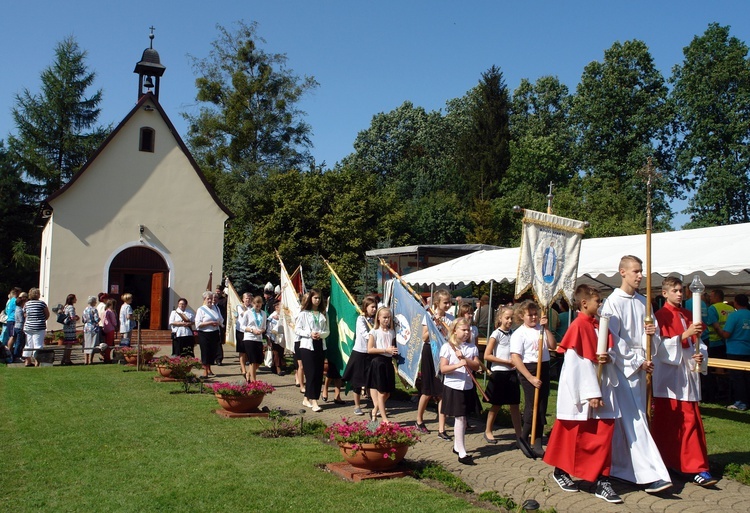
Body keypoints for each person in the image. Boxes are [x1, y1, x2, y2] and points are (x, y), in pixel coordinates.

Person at [543, 284, 623, 504]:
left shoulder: (600, 325)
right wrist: (591, 392)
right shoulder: (578, 326)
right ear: (584, 303)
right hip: (584, 392)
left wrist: (610, 357)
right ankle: (562, 471)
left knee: (603, 435)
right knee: (574, 436)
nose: (601, 304)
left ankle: (602, 479)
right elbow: (577, 363)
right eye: (598, 301)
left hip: (603, 385)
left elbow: (610, 351)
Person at [600, 255, 672, 493]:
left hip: (642, 368)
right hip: (623, 370)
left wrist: (652, 333)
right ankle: (650, 473)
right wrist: (637, 360)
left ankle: (622, 467)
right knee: (635, 422)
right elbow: (612, 339)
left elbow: (653, 338)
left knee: (634, 420)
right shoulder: (612, 302)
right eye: (636, 271)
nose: (640, 276)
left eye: (641, 272)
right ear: (622, 272)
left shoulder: (644, 301)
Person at [652, 277, 716, 487]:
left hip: (687, 375)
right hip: (669, 381)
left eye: (681, 291)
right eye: (675, 290)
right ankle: (675, 463)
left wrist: (701, 355)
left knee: (690, 421)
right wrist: (684, 335)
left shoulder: (689, 315)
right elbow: (658, 349)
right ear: (665, 293)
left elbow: (699, 345)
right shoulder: (660, 317)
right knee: (670, 425)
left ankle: (693, 466)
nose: (679, 294)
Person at [510, 299, 556, 457]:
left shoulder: (540, 330)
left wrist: (546, 328)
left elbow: (552, 345)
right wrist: (530, 378)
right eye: (530, 315)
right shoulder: (519, 334)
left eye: (535, 314)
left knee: (542, 404)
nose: (534, 317)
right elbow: (515, 358)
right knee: (532, 405)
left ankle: (537, 441)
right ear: (522, 316)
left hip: (543, 366)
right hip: (529, 368)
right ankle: (523, 438)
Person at [440, 317, 481, 465]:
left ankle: (457, 446)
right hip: (453, 386)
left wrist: (465, 360)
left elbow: (476, 366)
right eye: (463, 330)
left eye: (468, 330)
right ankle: (462, 452)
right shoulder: (447, 347)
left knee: (464, 418)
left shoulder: (472, 348)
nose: (466, 333)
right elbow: (443, 369)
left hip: (468, 386)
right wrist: (457, 365)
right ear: (454, 331)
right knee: (460, 417)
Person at [483, 307, 524, 452]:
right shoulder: (496, 334)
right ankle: (488, 430)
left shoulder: (514, 334)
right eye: (507, 318)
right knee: (496, 404)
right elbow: (487, 355)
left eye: (511, 318)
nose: (510, 321)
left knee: (515, 404)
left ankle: (519, 435)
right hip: (499, 373)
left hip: (512, 373)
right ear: (500, 318)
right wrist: (506, 362)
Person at [417, 289, 453, 439]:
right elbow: (424, 337)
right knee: (427, 391)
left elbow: (452, 336)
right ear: (437, 303)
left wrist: (444, 327)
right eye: (445, 302)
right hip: (429, 352)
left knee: (441, 392)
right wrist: (434, 324)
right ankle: (419, 420)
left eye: (449, 302)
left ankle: (441, 428)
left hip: (443, 353)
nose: (448, 305)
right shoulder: (428, 317)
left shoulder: (450, 318)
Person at [342, 296, 378, 416]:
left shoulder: (375, 320)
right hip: (360, 352)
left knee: (372, 380)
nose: (374, 309)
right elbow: (365, 334)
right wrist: (375, 338)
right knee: (357, 381)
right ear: (365, 307)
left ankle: (376, 406)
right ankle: (357, 406)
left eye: (375, 307)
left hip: (371, 353)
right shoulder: (361, 319)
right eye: (372, 307)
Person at [295, 289, 329, 412]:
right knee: (311, 373)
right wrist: (310, 334)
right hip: (307, 346)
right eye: (315, 298)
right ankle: (314, 401)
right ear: (310, 299)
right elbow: (297, 330)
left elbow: (327, 331)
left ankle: (306, 398)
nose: (317, 300)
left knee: (318, 373)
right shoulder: (304, 313)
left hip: (320, 344)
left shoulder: (323, 314)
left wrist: (320, 334)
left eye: (319, 298)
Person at [366, 306, 399, 423]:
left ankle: (374, 411)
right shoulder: (374, 332)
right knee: (381, 392)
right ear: (378, 318)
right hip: (378, 362)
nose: (387, 320)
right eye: (384, 317)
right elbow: (370, 349)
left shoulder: (392, 332)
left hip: (388, 363)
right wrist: (385, 350)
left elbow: (394, 348)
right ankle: (384, 419)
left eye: (389, 318)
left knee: (388, 393)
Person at [720, 294, 750, 411]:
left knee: (737, 378)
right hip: (748, 350)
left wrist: (718, 329)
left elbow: (727, 334)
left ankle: (741, 402)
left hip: (735, 351)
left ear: (736, 303)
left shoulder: (734, 316)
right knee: (747, 377)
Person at [194, 291, 224, 378]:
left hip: (214, 333)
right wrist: (210, 323)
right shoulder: (201, 309)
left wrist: (218, 323)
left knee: (212, 352)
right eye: (208, 299)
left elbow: (221, 319)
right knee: (205, 352)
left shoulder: (216, 308)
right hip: (204, 334)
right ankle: (205, 370)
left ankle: (209, 369)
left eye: (212, 298)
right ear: (204, 299)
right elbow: (198, 324)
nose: (210, 300)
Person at [240, 295, 267, 382]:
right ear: (253, 304)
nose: (258, 307)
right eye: (256, 305)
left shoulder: (263, 313)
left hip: (258, 338)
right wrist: (252, 330)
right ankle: (253, 381)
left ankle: (248, 373)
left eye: (260, 305)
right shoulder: (248, 313)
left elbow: (264, 327)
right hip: (249, 338)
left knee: (259, 360)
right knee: (253, 360)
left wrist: (261, 331)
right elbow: (242, 326)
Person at [22, 288, 49, 367]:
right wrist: (42, 319)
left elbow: (24, 314)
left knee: (28, 344)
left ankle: (27, 361)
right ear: (37, 295)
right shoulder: (42, 304)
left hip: (28, 326)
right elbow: (47, 314)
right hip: (39, 326)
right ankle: (37, 362)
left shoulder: (27, 304)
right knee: (38, 344)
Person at [235, 293, 252, 377]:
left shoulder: (252, 307)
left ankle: (247, 367)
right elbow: (243, 314)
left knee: (247, 351)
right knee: (242, 350)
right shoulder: (239, 306)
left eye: (249, 298)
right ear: (243, 299)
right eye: (246, 298)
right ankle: (243, 368)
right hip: (241, 330)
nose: (247, 300)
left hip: (249, 331)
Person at [266, 301, 285, 376]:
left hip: (282, 337)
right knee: (276, 352)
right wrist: (268, 339)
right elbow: (269, 328)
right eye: (281, 306)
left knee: (280, 352)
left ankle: (274, 367)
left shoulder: (282, 315)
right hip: (274, 337)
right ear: (276, 307)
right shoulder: (272, 316)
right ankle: (278, 368)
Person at [2, 287, 21, 361]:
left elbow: (6, 311)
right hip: (13, 320)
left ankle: (9, 352)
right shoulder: (15, 301)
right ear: (17, 293)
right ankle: (9, 353)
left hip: (9, 319)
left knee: (11, 336)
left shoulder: (9, 301)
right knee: (13, 337)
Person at [61, 294, 80, 365]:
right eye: (75, 298)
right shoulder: (71, 307)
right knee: (69, 344)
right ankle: (67, 359)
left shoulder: (65, 307)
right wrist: (77, 317)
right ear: (72, 300)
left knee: (67, 344)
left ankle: (64, 359)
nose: (76, 300)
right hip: (70, 327)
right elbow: (72, 317)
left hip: (66, 327)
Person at [81, 296, 100, 365]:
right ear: (93, 302)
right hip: (93, 327)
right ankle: (90, 360)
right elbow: (96, 319)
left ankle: (85, 360)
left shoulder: (85, 310)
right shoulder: (94, 310)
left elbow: (83, 319)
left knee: (86, 343)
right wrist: (99, 319)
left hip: (86, 327)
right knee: (92, 343)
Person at [11, 292, 28, 363]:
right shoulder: (20, 310)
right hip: (20, 327)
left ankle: (16, 355)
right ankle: (17, 356)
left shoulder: (16, 309)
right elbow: (21, 319)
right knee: (19, 342)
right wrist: (25, 316)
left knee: (18, 341)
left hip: (16, 326)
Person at [213, 289, 227, 366]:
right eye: (213, 298)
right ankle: (211, 358)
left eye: (216, 298)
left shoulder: (220, 307)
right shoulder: (208, 307)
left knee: (218, 344)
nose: (214, 300)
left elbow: (223, 316)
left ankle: (219, 359)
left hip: (219, 327)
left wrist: (222, 325)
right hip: (210, 328)